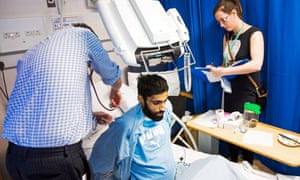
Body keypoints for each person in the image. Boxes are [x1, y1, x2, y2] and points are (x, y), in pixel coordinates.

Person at [2, 23, 122, 180]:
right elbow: (112, 75)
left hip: (16, 158)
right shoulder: (85, 36)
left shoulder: (35, 51)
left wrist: (91, 117)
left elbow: (43, 108)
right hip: (54, 162)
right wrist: (115, 89)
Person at [207, 0, 264, 164]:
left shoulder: (255, 34)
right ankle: (232, 164)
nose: (221, 25)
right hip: (230, 92)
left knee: (248, 133)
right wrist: (216, 71)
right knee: (230, 132)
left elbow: (256, 64)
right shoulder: (227, 36)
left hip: (250, 93)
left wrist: (224, 71)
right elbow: (226, 65)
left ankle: (248, 167)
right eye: (218, 22)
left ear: (234, 13)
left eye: (223, 19)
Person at [89, 74, 176, 180]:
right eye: (156, 103)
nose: (162, 107)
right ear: (141, 99)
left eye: (164, 100)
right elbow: (100, 161)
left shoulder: (167, 110)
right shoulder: (125, 126)